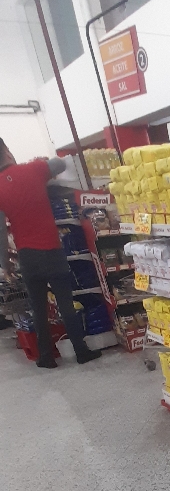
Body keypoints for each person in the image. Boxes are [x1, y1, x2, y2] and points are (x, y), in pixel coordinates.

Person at [0, 139, 101, 368]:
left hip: (28, 256)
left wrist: (5, 265)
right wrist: (43, 163)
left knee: (38, 308)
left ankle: (46, 357)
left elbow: (0, 233)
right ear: (7, 151)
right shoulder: (34, 170)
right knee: (66, 304)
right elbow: (60, 164)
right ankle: (81, 352)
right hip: (52, 251)